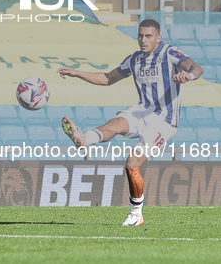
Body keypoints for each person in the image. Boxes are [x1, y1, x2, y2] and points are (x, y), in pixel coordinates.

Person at [57, 19, 203, 226]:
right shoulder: (134, 59)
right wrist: (77, 72)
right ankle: (84, 139)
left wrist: (187, 75)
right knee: (116, 123)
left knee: (132, 163)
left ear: (158, 38)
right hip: (142, 110)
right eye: (140, 36)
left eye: (148, 36)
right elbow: (108, 78)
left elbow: (196, 68)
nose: (143, 40)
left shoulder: (169, 53)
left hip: (164, 121)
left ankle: (136, 213)